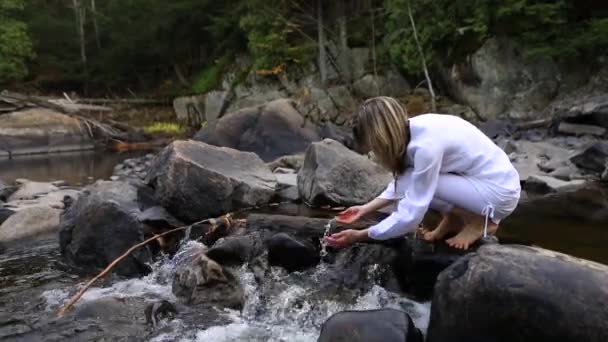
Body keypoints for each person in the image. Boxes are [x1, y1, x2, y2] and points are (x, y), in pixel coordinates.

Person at [325, 96, 521, 250]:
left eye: (374, 148)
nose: (374, 154)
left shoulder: (427, 147)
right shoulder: (408, 130)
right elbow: (402, 183)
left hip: (498, 194)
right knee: (413, 181)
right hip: (477, 183)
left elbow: (411, 214)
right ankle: (454, 217)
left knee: (417, 185)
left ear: (381, 138)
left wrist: (361, 235)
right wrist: (365, 209)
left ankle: (480, 222)